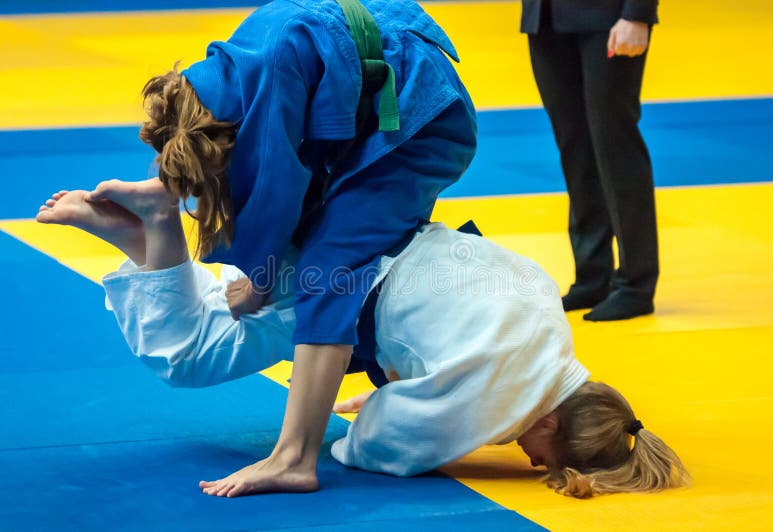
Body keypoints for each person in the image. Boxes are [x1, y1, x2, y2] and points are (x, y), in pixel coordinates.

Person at [36, 184, 689, 499]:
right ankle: (156, 228)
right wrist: (412, 417)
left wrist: (416, 387)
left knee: (221, 317)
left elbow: (454, 328)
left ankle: (141, 241)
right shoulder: (508, 399)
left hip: (360, 232)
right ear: (551, 420)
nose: (524, 455)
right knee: (189, 358)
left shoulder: (550, 329)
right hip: (340, 284)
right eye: (543, 454)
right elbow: (374, 448)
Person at [69, 0, 477, 496]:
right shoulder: (229, 76)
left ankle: (294, 457)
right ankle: (155, 231)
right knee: (299, 258)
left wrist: (257, 282)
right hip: (382, 108)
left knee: (328, 270)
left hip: (419, 123)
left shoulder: (264, 77)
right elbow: (270, 192)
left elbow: (274, 191)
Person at [521, 0, 660, 321]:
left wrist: (637, 15)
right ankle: (592, 276)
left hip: (610, 18)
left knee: (615, 148)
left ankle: (635, 285)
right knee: (575, 151)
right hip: (543, 19)